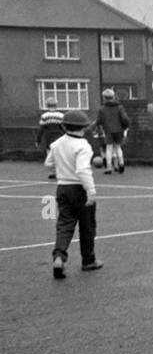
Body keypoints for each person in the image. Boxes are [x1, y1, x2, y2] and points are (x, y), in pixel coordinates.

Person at [44, 110, 103, 278]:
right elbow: (83, 170)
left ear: (64, 126)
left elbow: (48, 163)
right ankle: (89, 260)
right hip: (79, 189)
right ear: (84, 127)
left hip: (62, 188)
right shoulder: (83, 145)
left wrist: (62, 167)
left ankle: (59, 256)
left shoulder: (57, 144)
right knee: (87, 226)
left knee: (64, 224)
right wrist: (91, 191)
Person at [95, 88, 131, 174]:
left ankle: (109, 167)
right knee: (118, 147)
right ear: (113, 96)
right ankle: (121, 164)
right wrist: (125, 126)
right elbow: (125, 119)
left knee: (109, 148)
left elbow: (99, 120)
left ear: (104, 97)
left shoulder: (102, 109)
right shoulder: (119, 107)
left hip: (108, 130)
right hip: (118, 130)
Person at [36, 98, 65, 178]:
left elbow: (41, 129)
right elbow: (64, 128)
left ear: (47, 105)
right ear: (56, 105)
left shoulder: (44, 116)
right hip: (60, 138)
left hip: (49, 138)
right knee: (61, 156)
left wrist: (38, 140)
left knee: (50, 156)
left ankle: (54, 172)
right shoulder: (61, 115)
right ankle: (62, 172)